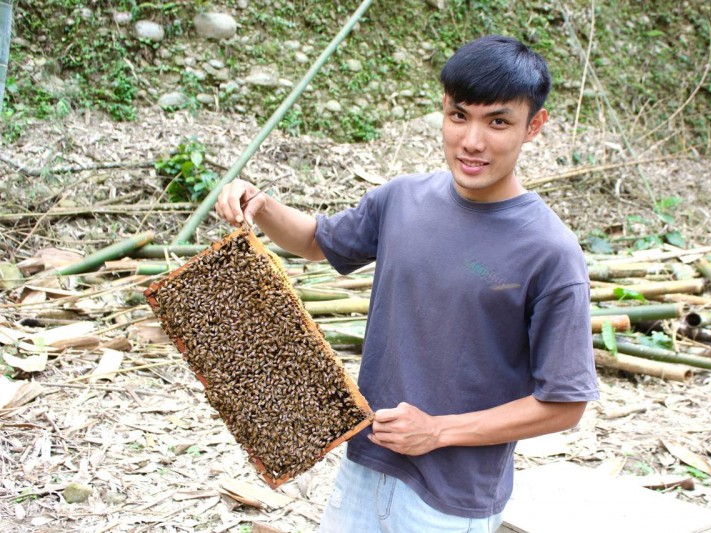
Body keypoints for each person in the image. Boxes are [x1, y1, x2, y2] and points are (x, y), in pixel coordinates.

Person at [215, 34, 599, 532]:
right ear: (443, 109)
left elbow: (565, 404)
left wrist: (437, 431)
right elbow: (315, 241)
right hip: (363, 466)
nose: (472, 141)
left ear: (534, 126)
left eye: (498, 121)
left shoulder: (549, 251)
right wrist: (262, 207)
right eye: (460, 116)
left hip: (450, 499)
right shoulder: (402, 200)